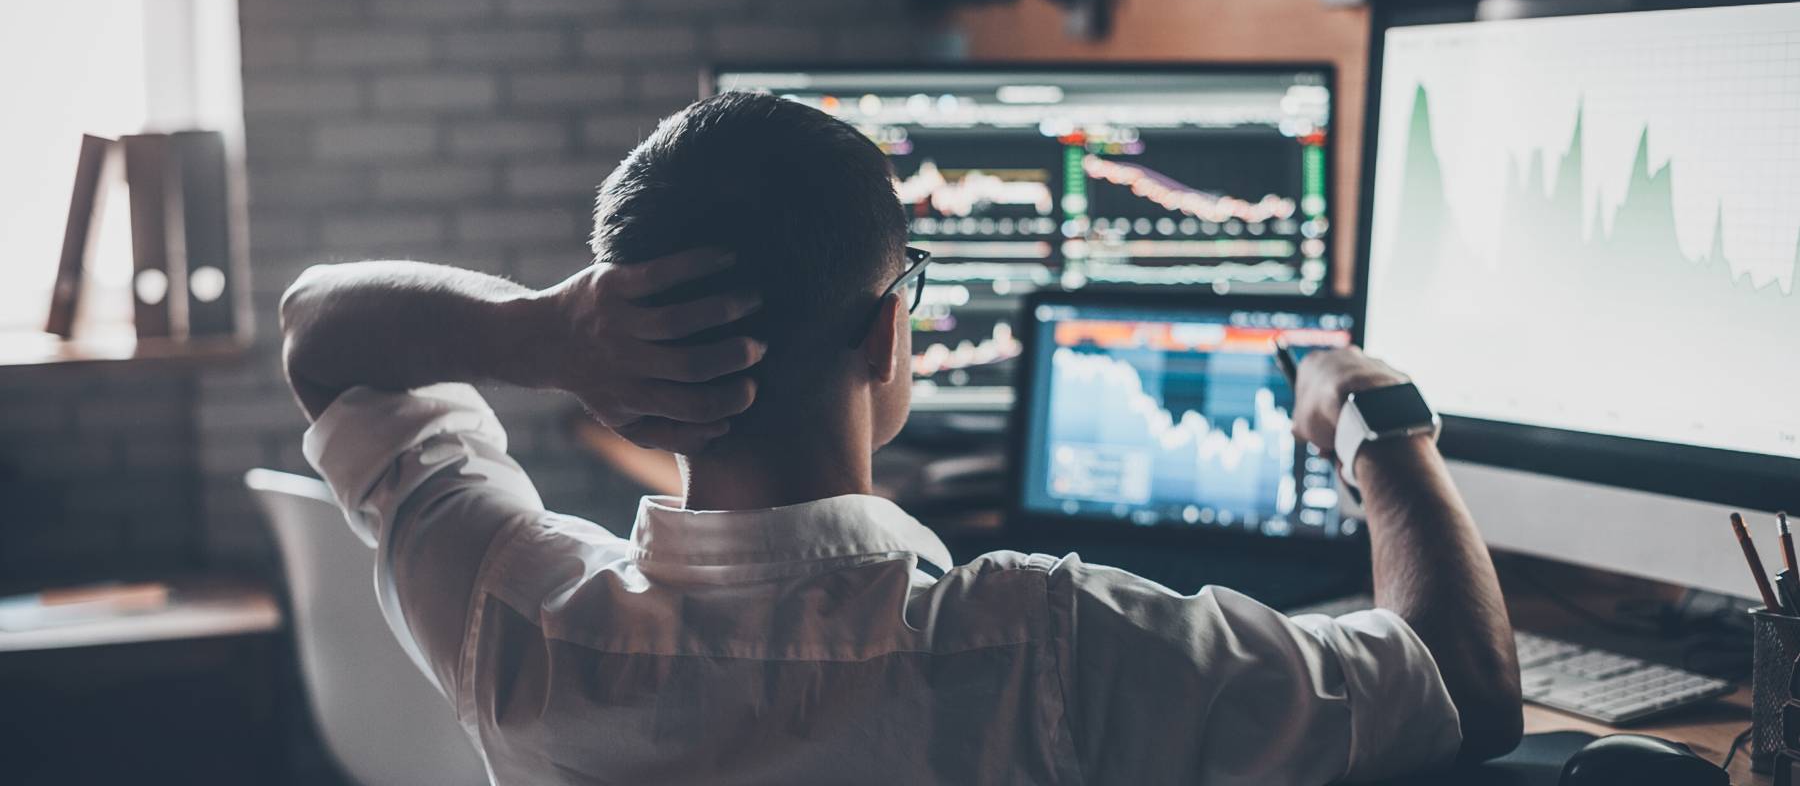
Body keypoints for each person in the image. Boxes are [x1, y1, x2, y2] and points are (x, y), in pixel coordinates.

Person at [282, 91, 1521, 785]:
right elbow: (1466, 683)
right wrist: (1377, 418)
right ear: (888, 336)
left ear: (622, 370)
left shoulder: (513, 614)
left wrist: (545, 336)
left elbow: (321, 330)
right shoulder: (1053, 638)